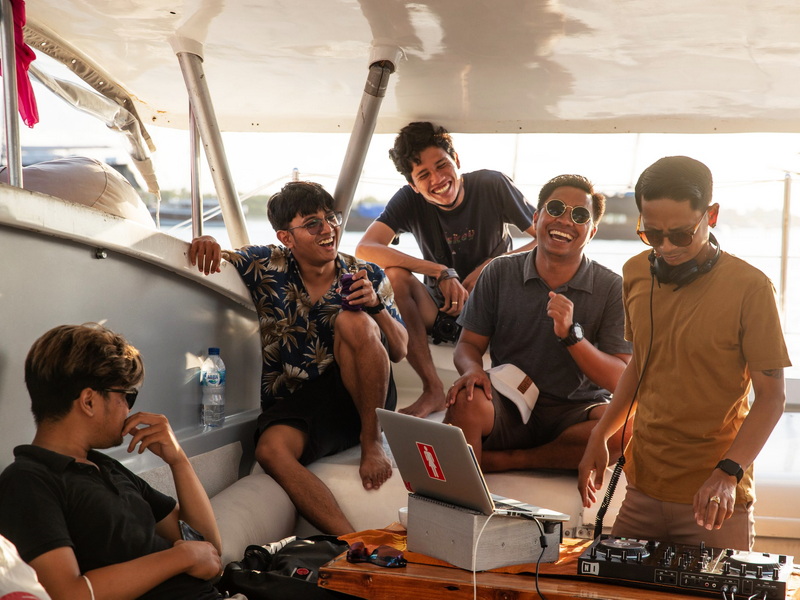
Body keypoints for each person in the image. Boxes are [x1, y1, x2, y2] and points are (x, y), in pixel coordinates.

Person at [578, 156, 791, 550]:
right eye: (651, 234)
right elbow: (640, 365)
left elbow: (772, 398)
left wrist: (728, 474)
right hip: (642, 489)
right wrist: (601, 434)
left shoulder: (752, 289)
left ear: (711, 216)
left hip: (714, 498)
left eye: (679, 235)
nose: (665, 248)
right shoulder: (635, 273)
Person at [189, 181, 408, 535]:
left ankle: (372, 443)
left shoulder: (367, 273)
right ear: (286, 237)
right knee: (270, 451)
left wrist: (376, 306)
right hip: (306, 403)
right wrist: (206, 242)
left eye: (330, 218)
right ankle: (349, 542)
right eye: (312, 223)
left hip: (368, 394)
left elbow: (400, 349)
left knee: (354, 321)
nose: (328, 229)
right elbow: (219, 256)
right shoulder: (265, 264)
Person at [0, 323, 224, 600]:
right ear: (89, 401)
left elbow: (209, 552)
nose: (130, 409)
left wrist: (179, 462)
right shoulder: (28, 481)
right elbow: (67, 594)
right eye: (126, 396)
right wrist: (180, 558)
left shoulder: (104, 466)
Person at [444, 174, 632, 472]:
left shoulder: (612, 287)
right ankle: (468, 486)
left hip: (576, 410)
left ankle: (512, 460)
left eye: (580, 215)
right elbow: (468, 344)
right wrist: (472, 370)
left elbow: (619, 379)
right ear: (537, 216)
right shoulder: (499, 272)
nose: (565, 221)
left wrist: (572, 337)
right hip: (509, 401)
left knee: (630, 429)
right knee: (464, 399)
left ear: (592, 232)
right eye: (555, 209)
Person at [356, 121, 537, 418]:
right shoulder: (408, 200)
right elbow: (365, 249)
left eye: (443, 166)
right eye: (424, 175)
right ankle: (432, 389)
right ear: (414, 185)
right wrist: (439, 270)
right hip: (444, 313)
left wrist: (492, 266)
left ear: (458, 162)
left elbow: (542, 238)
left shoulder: (491, 184)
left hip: (493, 312)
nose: (438, 179)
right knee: (396, 277)